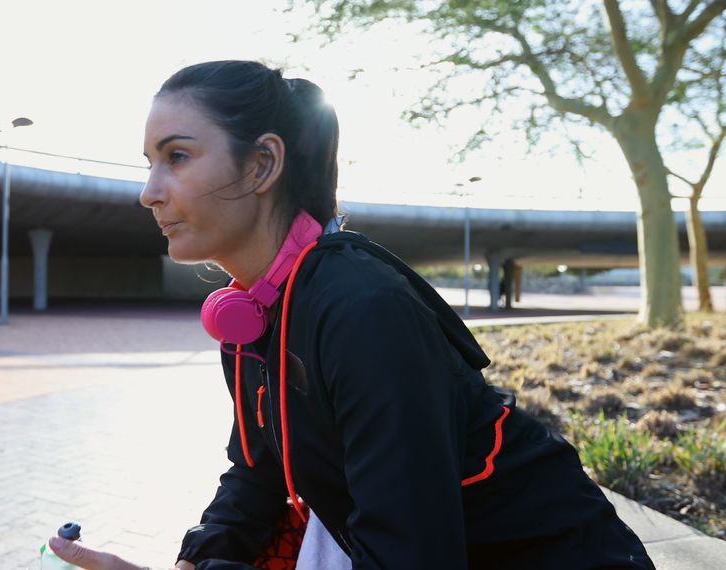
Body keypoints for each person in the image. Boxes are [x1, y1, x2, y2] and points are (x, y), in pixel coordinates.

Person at [46, 60, 655, 570]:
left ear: (262, 165)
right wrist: (196, 560)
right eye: (150, 161)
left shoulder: (363, 309)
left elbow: (409, 556)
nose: (149, 191)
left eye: (176, 156)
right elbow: (256, 472)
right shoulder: (249, 311)